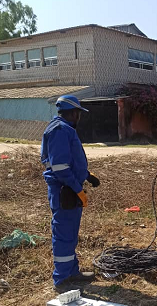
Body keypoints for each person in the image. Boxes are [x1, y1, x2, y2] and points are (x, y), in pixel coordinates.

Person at [41, 95, 101, 293]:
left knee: (70, 234)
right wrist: (77, 189)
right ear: (74, 113)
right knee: (64, 234)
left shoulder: (64, 129)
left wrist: (87, 175)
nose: (79, 117)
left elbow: (70, 162)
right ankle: (62, 279)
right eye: (79, 114)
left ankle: (71, 271)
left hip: (68, 188)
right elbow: (60, 167)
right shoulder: (60, 130)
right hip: (64, 191)